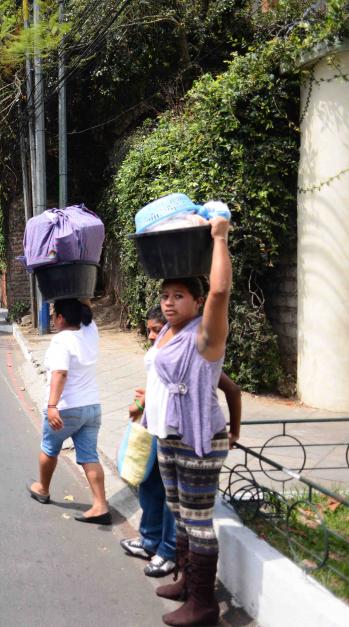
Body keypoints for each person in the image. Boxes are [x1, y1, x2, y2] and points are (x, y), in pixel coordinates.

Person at [145, 216, 232, 626]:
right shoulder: (168, 332)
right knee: (179, 511)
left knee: (198, 521)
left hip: (198, 438)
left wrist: (219, 237)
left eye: (178, 296)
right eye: (165, 295)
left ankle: (204, 604)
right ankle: (184, 580)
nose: (168, 303)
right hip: (170, 435)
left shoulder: (205, 333)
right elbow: (219, 382)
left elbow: (219, 289)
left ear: (196, 302)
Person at [121, 306, 242, 580]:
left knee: (177, 504)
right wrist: (143, 402)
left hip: (183, 436)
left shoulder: (195, 353)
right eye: (149, 329)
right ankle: (150, 540)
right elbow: (156, 385)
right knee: (150, 485)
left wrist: (234, 432)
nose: (151, 335)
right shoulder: (161, 352)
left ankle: (168, 552)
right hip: (157, 430)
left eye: (155, 329)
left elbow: (232, 389)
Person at [27, 298, 110, 525]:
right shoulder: (90, 331)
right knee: (89, 456)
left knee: (49, 448)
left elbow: (60, 374)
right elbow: (86, 303)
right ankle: (100, 505)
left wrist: (52, 406)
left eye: (54, 315)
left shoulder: (61, 341)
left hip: (66, 409)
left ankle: (43, 488)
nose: (53, 319)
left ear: (61, 318)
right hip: (92, 407)